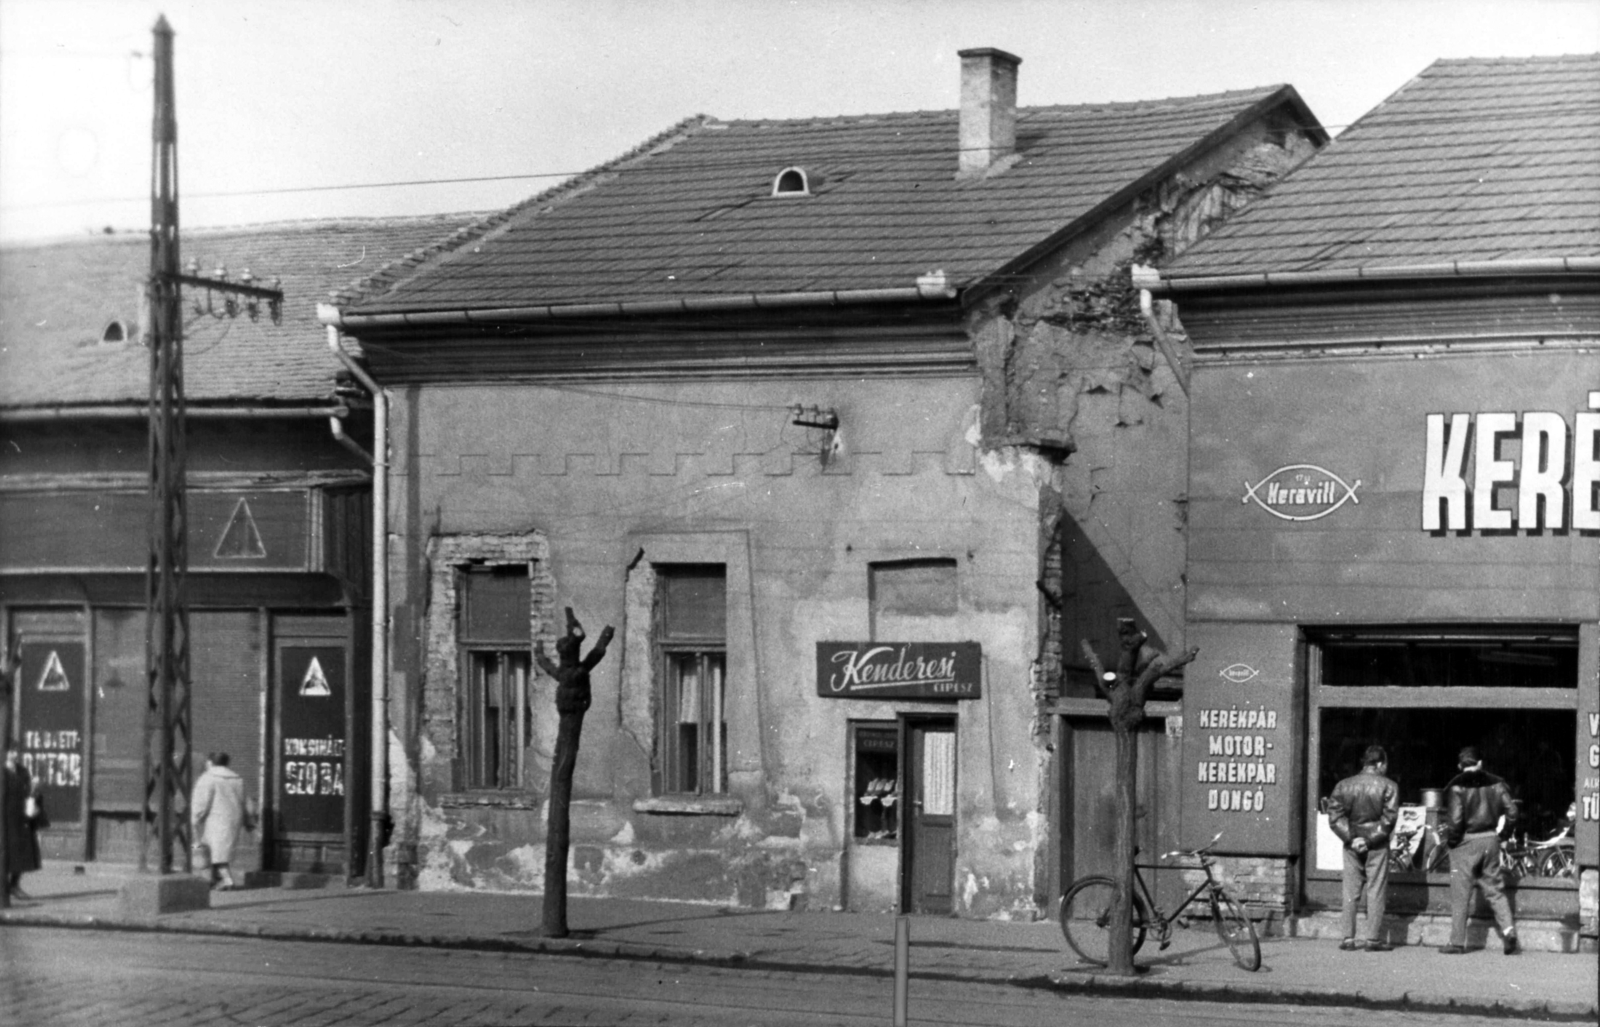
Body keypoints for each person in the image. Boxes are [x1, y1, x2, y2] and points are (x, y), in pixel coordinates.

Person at [1440, 746, 1518, 955]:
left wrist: (1453, 842)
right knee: (1495, 889)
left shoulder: (1456, 787)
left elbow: (1455, 821)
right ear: (1480, 763)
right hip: (1490, 839)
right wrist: (1502, 836)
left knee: (1461, 894)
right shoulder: (1497, 783)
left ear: (1460, 765)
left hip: (1466, 842)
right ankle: (1509, 931)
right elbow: (1512, 812)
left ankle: (1457, 942)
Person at [1326, 744, 1399, 952]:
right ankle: (1373, 940)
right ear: (1380, 763)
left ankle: (1348, 938)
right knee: (1376, 890)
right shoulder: (1390, 786)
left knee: (1350, 891)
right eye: (1385, 763)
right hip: (1377, 845)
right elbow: (1389, 819)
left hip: (1351, 845)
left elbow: (1334, 816)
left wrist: (1351, 838)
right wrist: (1369, 840)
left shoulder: (1343, 785)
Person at [191, 751, 249, 891]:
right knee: (221, 853)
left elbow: (201, 802)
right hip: (233, 820)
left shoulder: (208, 778)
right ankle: (217, 880)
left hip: (215, 820)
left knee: (215, 854)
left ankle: (227, 881)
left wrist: (195, 818)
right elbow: (244, 801)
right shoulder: (237, 779)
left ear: (210, 762)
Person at [3, 745, 44, 899]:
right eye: (11, 751)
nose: (14, 754)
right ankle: (5, 887)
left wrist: (34, 789)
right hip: (5, 817)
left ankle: (14, 885)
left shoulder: (22, 770)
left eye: (16, 751)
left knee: (22, 852)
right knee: (7, 853)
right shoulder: (2, 771)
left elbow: (28, 791)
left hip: (21, 817)